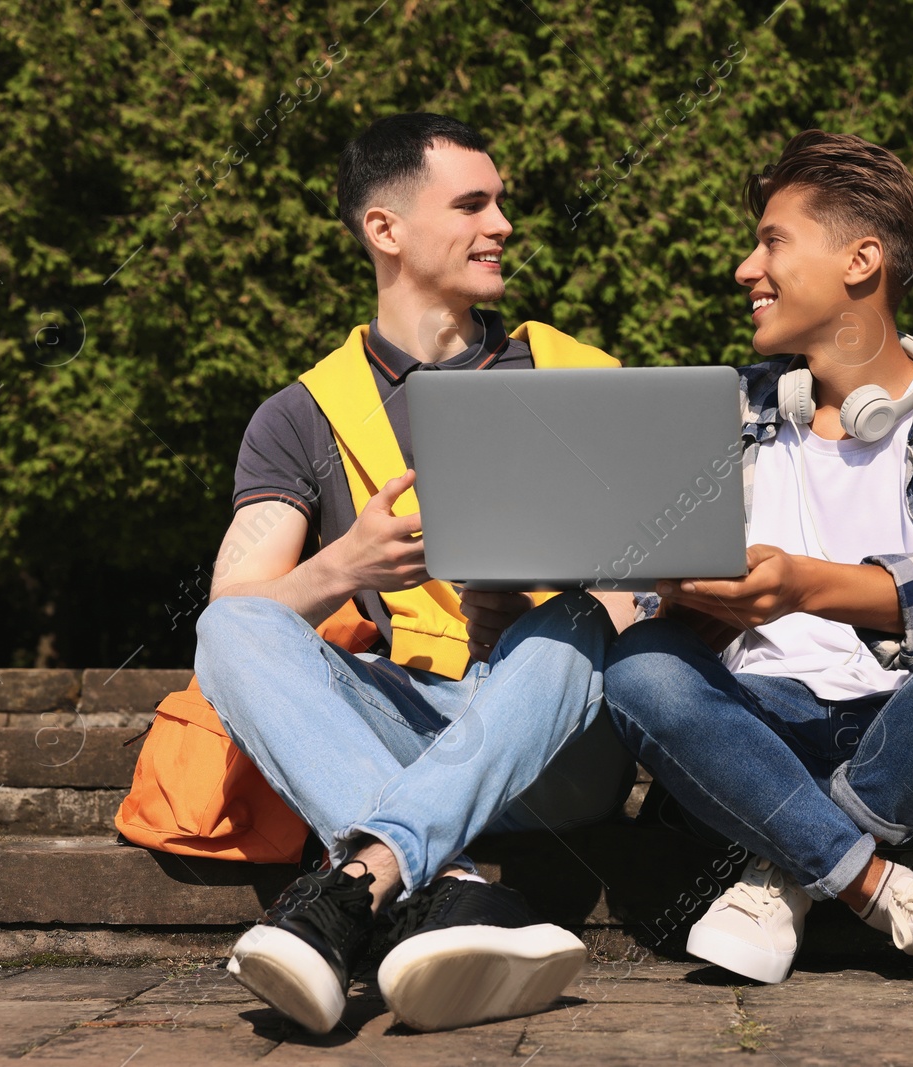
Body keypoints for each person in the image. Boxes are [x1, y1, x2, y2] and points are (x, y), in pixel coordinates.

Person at [193, 112, 636, 1035]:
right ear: (384, 230)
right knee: (227, 626)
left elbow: (655, 607)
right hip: (408, 734)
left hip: (556, 742)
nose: (503, 223)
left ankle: (352, 888)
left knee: (578, 629)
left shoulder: (573, 373)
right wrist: (341, 565)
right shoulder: (300, 415)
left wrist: (518, 621)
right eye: (473, 203)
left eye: (501, 202)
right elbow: (239, 614)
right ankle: (440, 887)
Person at [604, 130, 913, 987]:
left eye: (772, 241)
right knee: (641, 670)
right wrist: (691, 604)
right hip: (759, 735)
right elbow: (652, 615)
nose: (747, 268)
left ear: (861, 260)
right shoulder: (722, 411)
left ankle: (787, 864)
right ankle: (892, 894)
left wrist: (805, 587)